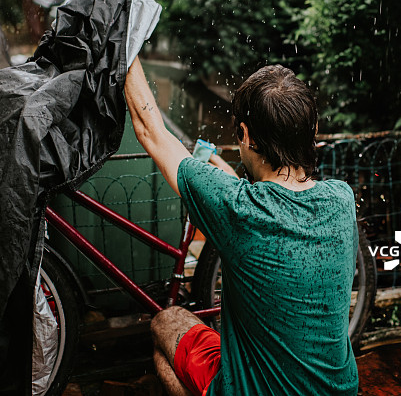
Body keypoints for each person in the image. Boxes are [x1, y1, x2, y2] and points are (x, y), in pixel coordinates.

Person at [123, 58, 360, 396]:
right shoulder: (341, 200)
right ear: (314, 128)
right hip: (341, 391)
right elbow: (281, 214)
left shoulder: (239, 209)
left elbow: (150, 130)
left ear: (246, 135)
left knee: (166, 322)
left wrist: (125, 42)